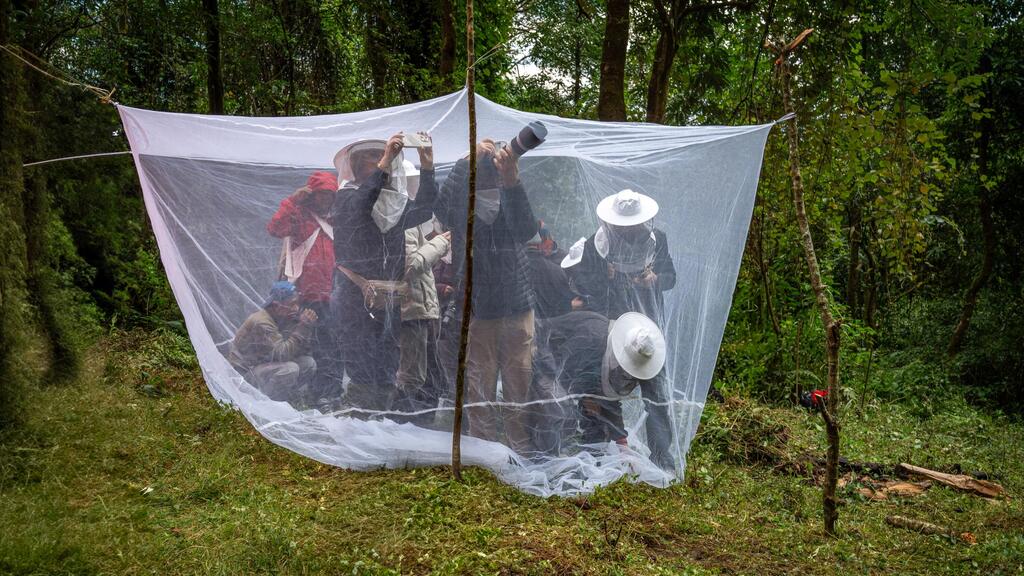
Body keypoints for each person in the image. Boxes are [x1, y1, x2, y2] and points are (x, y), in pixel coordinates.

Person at [436, 140, 538, 454]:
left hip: (516, 305)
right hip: (479, 306)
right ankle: (483, 449)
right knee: (479, 383)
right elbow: (440, 207)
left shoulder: (509, 194)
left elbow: (526, 229)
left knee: (519, 383)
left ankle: (519, 446)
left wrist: (512, 179)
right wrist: (465, 160)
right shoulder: (462, 206)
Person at [567, 189, 677, 469]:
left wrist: (653, 279)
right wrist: (605, 277)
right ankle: (595, 448)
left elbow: (670, 277)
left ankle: (662, 455)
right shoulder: (595, 245)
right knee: (599, 387)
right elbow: (585, 287)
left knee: (656, 393)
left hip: (647, 331)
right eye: (623, 226)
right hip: (609, 329)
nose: (628, 230)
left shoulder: (658, 239)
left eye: (634, 225)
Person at [330, 132, 438, 415]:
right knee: (361, 362)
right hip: (354, 295)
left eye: (381, 155)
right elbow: (360, 206)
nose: (379, 159)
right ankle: (358, 421)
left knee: (388, 361)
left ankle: (381, 419)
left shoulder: (394, 205)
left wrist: (427, 166)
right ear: (354, 164)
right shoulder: (346, 196)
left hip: (388, 296)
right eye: (370, 156)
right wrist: (386, 160)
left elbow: (424, 209)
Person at [542, 310, 667, 457]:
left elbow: (607, 398)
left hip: (572, 366)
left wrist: (622, 443)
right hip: (542, 354)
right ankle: (544, 456)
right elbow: (585, 393)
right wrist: (621, 441)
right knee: (560, 413)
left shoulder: (620, 351)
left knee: (598, 418)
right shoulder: (591, 344)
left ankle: (592, 455)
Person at [267, 171, 339, 402]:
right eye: (321, 194)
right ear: (312, 195)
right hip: (301, 296)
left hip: (328, 296)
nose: (325, 199)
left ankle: (325, 394)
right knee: (302, 344)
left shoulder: (334, 221)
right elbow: (275, 228)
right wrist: (293, 200)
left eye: (329, 195)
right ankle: (300, 392)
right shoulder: (300, 216)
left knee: (329, 346)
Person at [394, 201, 452, 424]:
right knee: (413, 376)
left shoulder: (412, 221)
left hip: (422, 310)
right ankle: (407, 425)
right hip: (413, 311)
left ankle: (420, 423)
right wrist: (440, 243)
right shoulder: (406, 222)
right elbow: (412, 264)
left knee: (430, 374)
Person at [227, 281, 318, 404]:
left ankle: (285, 397)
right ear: (276, 306)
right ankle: (268, 403)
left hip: (264, 366)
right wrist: (302, 327)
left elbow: (302, 351)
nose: (296, 308)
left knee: (308, 364)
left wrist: (304, 327)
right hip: (245, 375)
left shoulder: (282, 316)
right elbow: (282, 354)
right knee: (291, 369)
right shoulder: (262, 322)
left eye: (297, 303)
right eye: (292, 304)